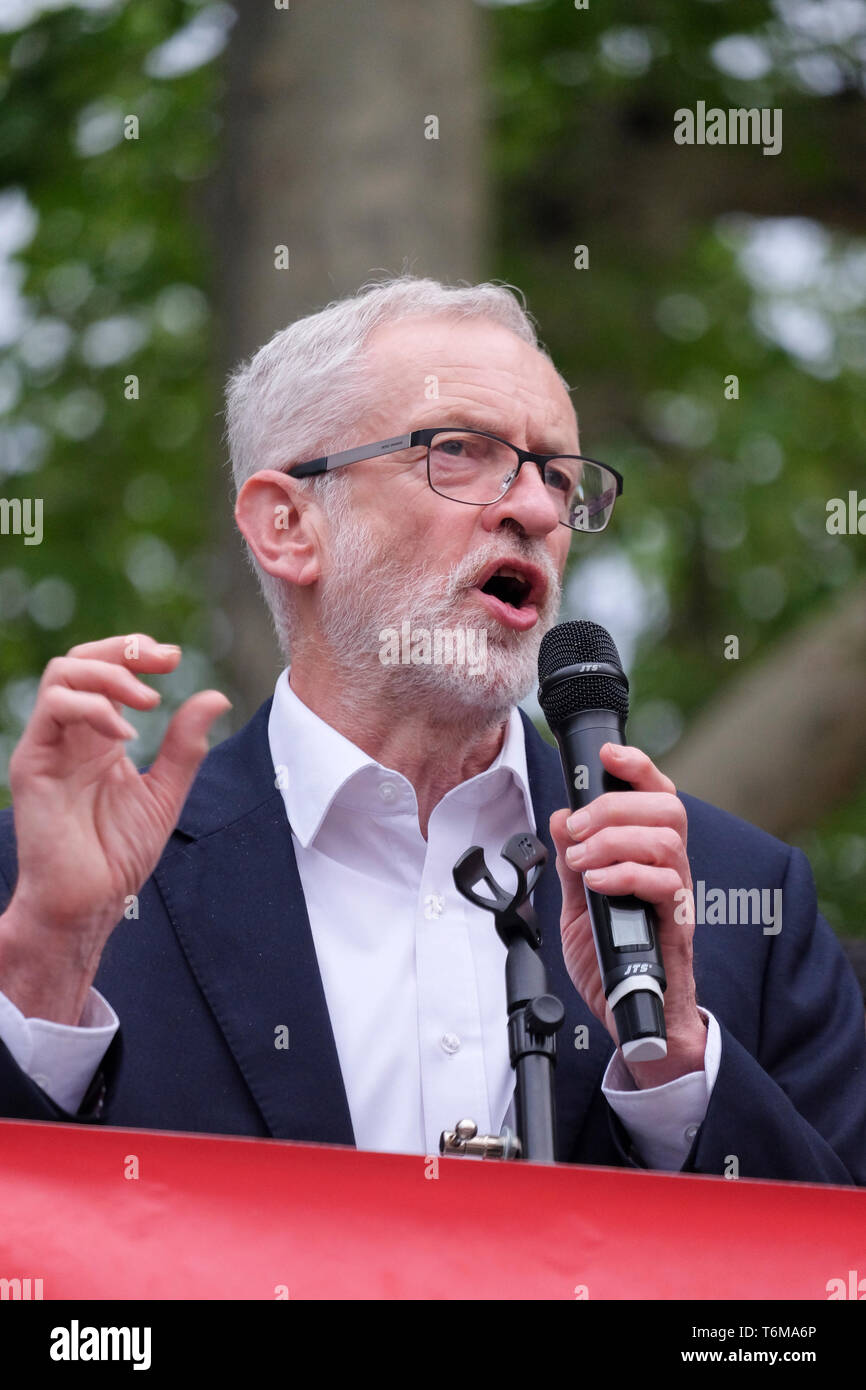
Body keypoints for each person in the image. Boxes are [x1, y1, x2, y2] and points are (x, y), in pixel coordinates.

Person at [0, 276, 864, 1183]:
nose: (534, 511)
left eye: (559, 477)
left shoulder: (738, 903)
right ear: (289, 525)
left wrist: (675, 1068)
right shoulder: (60, 896)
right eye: (459, 451)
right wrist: (47, 978)